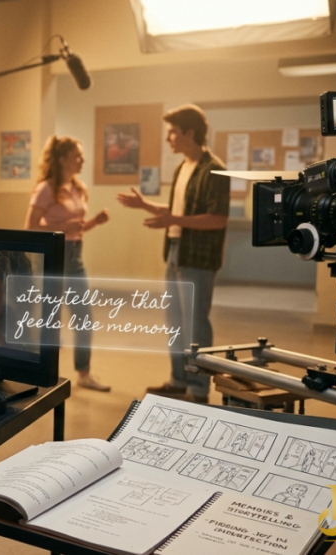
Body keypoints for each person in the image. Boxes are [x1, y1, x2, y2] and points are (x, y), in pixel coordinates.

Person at [117, 104, 229, 404]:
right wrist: (146, 206)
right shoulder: (183, 168)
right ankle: (179, 382)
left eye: (172, 133)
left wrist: (174, 221)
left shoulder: (214, 168)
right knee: (176, 324)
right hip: (176, 253)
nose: (168, 139)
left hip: (199, 258)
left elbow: (218, 218)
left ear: (189, 132)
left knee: (196, 325)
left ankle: (199, 390)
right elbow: (179, 213)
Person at [25, 135, 110, 392]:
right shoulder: (45, 189)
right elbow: (30, 227)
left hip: (75, 258)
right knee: (50, 321)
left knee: (84, 318)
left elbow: (77, 228)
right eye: (77, 156)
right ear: (62, 159)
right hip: (54, 259)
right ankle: (46, 374)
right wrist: (62, 226)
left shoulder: (77, 188)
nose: (82, 160)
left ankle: (84, 373)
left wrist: (95, 221)